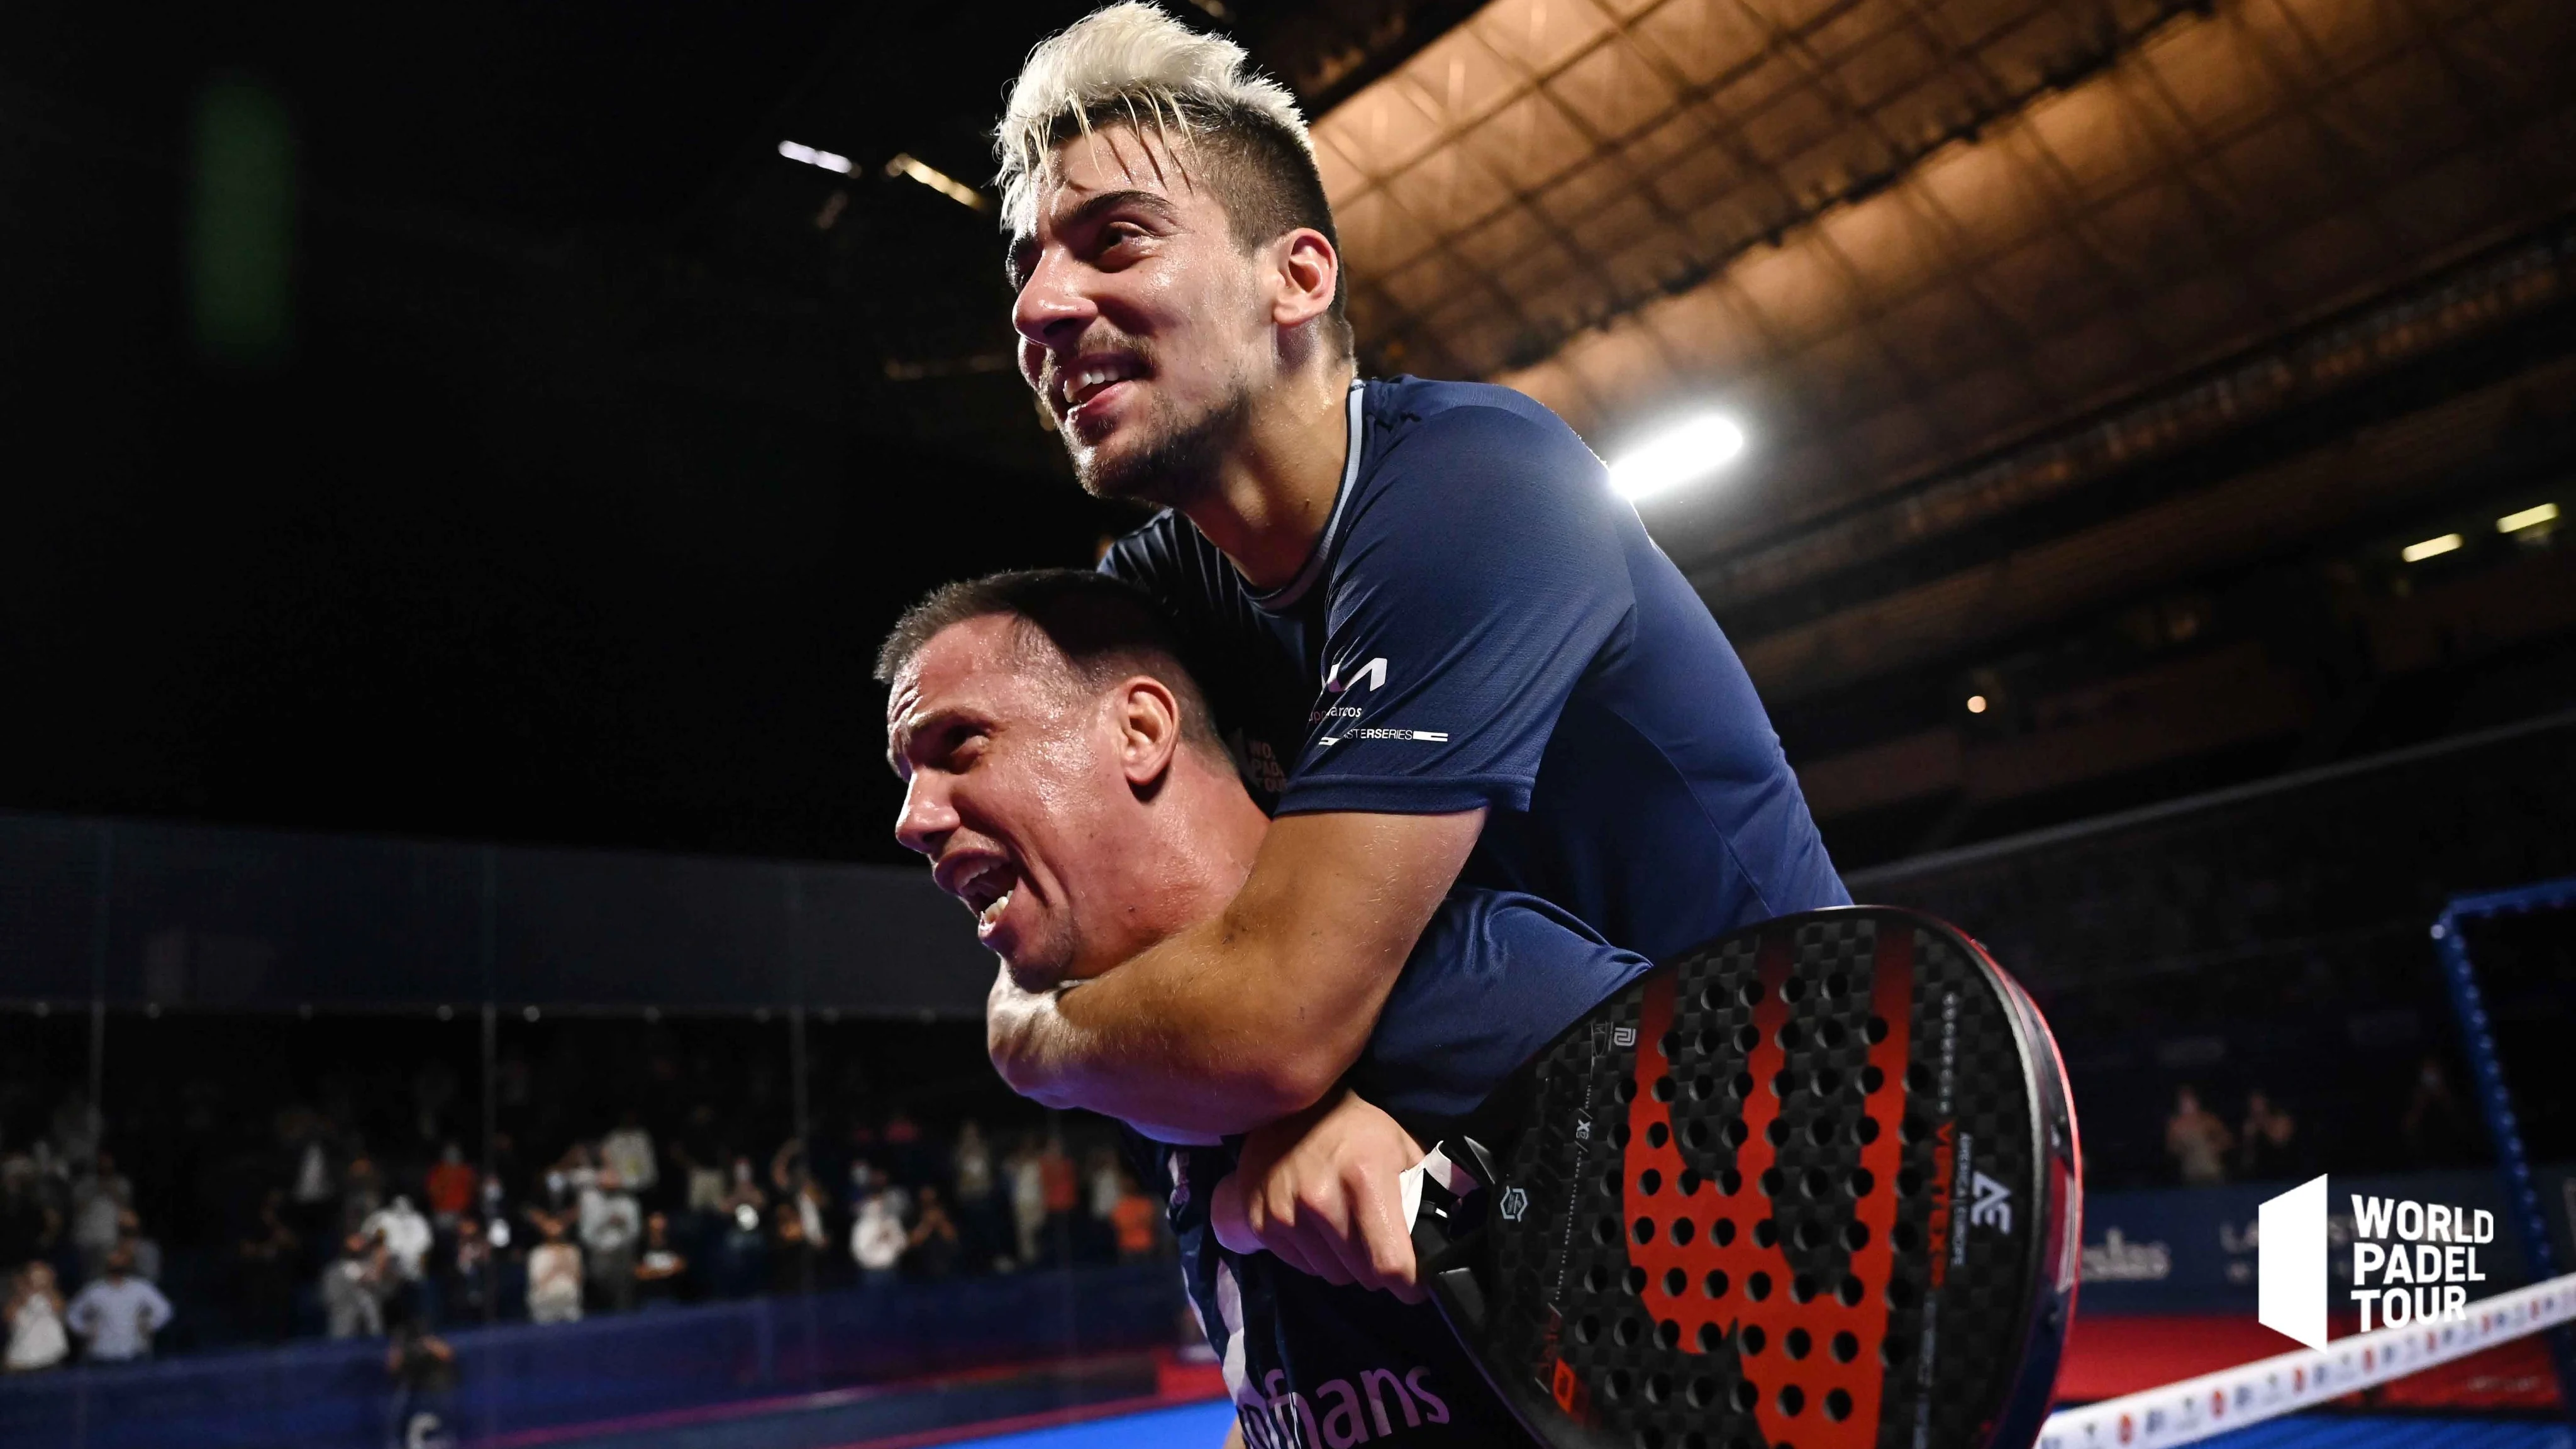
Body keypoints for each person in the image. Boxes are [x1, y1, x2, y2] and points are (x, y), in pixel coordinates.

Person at [975, 2, 1845, 1280]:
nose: (1042, 304)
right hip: (1520, 1221)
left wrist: (1024, 1042)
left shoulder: (1484, 483)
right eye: (1025, 263)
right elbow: (1089, 919)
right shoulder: (1157, 592)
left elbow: (1265, 1024)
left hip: (1797, 1183)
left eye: (1114, 240)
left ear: (1297, 276)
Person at [881, 570, 1653, 1441]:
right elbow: (1297, 1406)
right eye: (907, 774)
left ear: (1140, 730)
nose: (914, 818)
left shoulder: (1483, 989)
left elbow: (1805, 1299)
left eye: (961, 744)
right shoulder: (1143, 1068)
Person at [64, 1245, 173, 1363]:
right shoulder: (94, 1290)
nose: (117, 1266)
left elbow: (164, 1309)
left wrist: (149, 1325)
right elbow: (72, 1313)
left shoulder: (140, 1288)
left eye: (120, 1262)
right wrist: (85, 1330)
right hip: (101, 1353)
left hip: (134, 1351)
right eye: (113, 1262)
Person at [385, 1319, 459, 1449]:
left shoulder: (432, 1340)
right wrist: (403, 1350)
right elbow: (392, 1366)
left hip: (436, 1389)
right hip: (411, 1392)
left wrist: (427, 1345)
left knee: (442, 1427)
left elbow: (448, 1354)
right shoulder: (402, 1344)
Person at [577, 1168, 641, 1314]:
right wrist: (606, 1220)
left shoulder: (628, 1203)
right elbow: (586, 1235)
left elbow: (635, 1232)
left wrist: (622, 1223)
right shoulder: (589, 1202)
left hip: (622, 1250)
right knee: (601, 1270)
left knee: (623, 1269)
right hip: (599, 1251)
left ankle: (624, 1311)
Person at [4, 1262, 70, 1372]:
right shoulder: (17, 1299)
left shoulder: (52, 1297)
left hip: (50, 1359)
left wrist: (47, 1286)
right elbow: (8, 1317)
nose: (38, 1278)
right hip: (22, 1361)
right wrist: (24, 1290)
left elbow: (60, 1308)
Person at [325, 1230, 392, 1339]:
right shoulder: (334, 1271)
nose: (360, 1244)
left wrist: (381, 1267)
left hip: (372, 1331)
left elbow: (386, 1292)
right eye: (355, 1241)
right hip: (345, 1330)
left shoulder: (371, 1266)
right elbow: (331, 1298)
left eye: (361, 1241)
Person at [2165, 1085, 2234, 1186]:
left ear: (2196, 1102)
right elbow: (2170, 1148)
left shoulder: (2208, 1120)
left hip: (2213, 1173)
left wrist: (2217, 1147)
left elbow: (2228, 1140)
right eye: (2183, 1102)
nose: (2186, 1105)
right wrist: (2180, 1148)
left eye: (2189, 1101)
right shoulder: (2176, 1125)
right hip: (2191, 1175)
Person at [525, 1217, 583, 1325]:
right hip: (546, 1303)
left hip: (569, 1301)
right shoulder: (538, 1254)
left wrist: (566, 1265)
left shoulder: (572, 1252)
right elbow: (537, 1282)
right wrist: (555, 1268)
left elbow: (579, 1278)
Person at [2239, 1089, 2299, 1179]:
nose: (2256, 1108)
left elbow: (2281, 1144)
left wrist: (2264, 1126)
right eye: (2253, 1104)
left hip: (2290, 1173)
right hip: (2261, 1178)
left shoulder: (2282, 1120)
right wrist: (2249, 1141)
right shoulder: (2250, 1127)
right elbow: (2247, 1162)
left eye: (2259, 1103)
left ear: (2266, 1103)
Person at [850, 1189, 905, 1287]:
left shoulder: (893, 1221)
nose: (879, 1206)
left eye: (882, 1202)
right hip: (871, 1272)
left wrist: (892, 1237)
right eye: (876, 1202)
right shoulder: (862, 1225)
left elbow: (902, 1244)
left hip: (891, 1269)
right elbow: (859, 1252)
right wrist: (878, 1238)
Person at [635, 1213, 688, 1307]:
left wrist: (654, 1271)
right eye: (655, 1220)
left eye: (660, 1220)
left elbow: (681, 1266)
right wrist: (666, 1271)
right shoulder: (641, 1247)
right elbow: (640, 1273)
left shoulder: (674, 1243)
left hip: (674, 1295)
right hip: (649, 1297)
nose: (658, 1225)